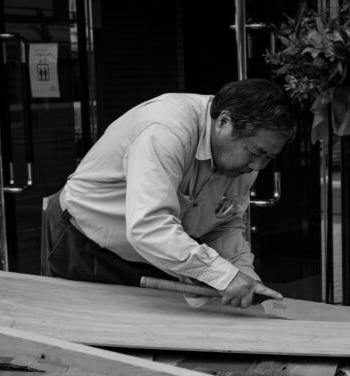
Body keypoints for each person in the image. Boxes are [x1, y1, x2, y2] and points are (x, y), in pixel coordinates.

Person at [41, 79, 296, 308]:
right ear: (223, 121)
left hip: (158, 254)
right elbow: (150, 226)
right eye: (255, 152)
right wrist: (222, 275)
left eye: (268, 157)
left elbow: (225, 223)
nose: (256, 167)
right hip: (85, 241)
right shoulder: (165, 130)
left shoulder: (243, 162)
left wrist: (244, 275)